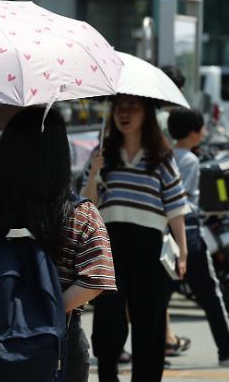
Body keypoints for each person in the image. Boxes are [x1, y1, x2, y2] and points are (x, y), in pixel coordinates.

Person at [0, 107, 117, 381]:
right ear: (60, 154)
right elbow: (96, 279)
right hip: (58, 342)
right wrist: (44, 311)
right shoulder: (79, 212)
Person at [83, 95, 189, 382]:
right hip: (110, 244)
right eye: (119, 107)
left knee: (150, 320)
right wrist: (94, 171)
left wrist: (183, 251)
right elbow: (86, 204)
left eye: (133, 107)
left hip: (150, 245)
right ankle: (108, 376)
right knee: (108, 318)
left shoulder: (162, 157)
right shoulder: (103, 154)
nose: (124, 113)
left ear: (146, 115)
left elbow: (176, 207)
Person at [167, 107, 229, 365]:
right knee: (210, 292)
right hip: (189, 233)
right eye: (203, 128)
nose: (205, 133)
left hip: (168, 234)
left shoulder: (167, 156)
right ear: (195, 133)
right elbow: (180, 199)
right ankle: (227, 349)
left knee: (160, 295)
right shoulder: (190, 160)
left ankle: (148, 348)